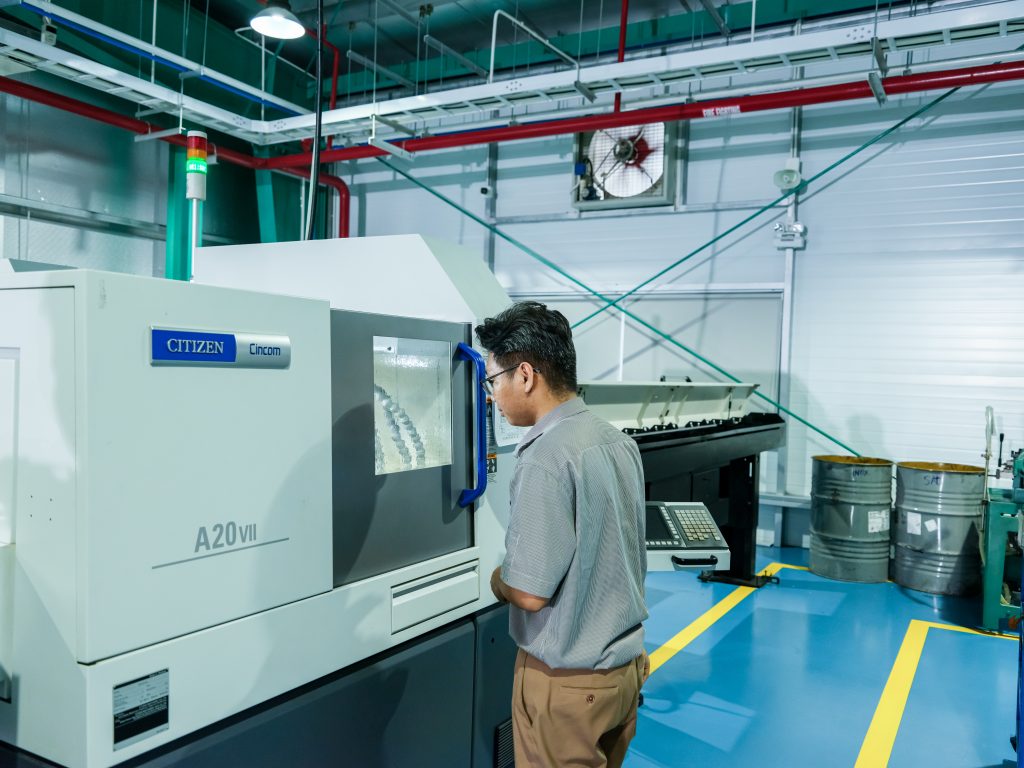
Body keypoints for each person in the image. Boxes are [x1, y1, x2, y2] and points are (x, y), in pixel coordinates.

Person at [475, 300, 649, 768]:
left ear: (525, 376)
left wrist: (497, 579)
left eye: (493, 380)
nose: (491, 396)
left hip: (568, 687)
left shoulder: (545, 457)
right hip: (624, 673)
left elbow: (529, 594)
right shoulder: (617, 441)